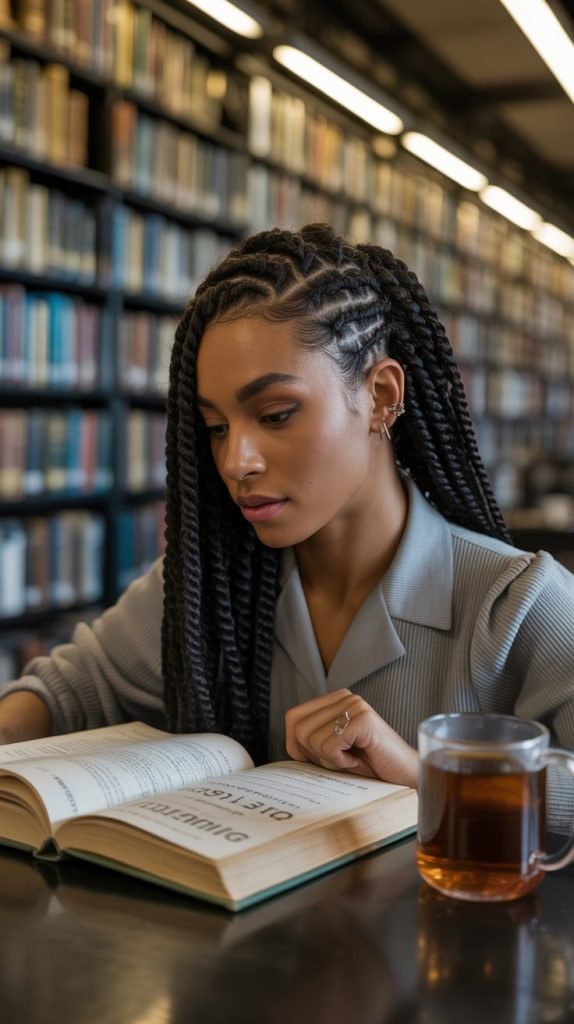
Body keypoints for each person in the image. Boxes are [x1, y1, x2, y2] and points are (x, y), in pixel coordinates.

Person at [1, 223, 573, 830]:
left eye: (275, 415)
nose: (234, 461)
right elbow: (65, 692)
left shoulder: (517, 604)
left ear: (381, 396)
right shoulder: (212, 584)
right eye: (216, 427)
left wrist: (424, 772)